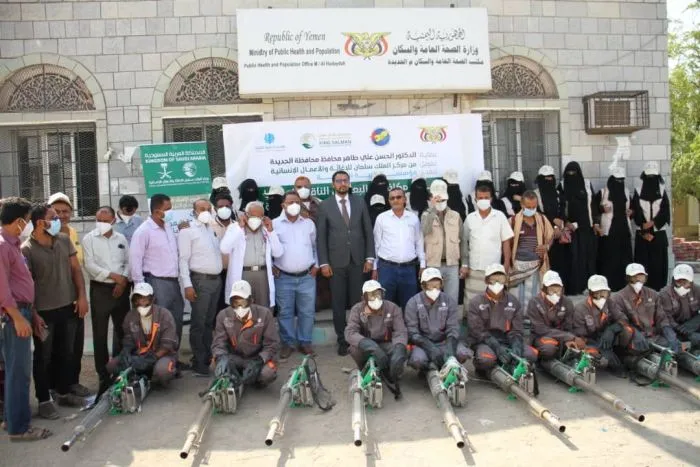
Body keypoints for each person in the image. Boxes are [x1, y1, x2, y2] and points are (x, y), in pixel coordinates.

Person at [22, 203, 89, 419]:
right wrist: (33, 314)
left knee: (66, 353)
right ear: (40, 223)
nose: (58, 220)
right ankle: (44, 400)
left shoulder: (63, 240)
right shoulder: (27, 250)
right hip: (44, 313)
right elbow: (27, 286)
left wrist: (82, 296)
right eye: (53, 217)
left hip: (68, 307)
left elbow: (76, 270)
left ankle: (63, 392)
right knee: (43, 357)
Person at [0, 197, 52, 440]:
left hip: (22, 311)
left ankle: (11, 420)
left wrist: (31, 314)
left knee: (14, 370)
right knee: (18, 372)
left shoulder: (12, 245)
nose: (29, 225)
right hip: (13, 315)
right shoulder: (2, 246)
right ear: (19, 221)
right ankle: (19, 429)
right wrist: (17, 317)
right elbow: (2, 288)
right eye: (28, 220)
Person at [317, 170, 375, 356]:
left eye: (345, 180)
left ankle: (359, 339)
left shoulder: (359, 202)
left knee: (359, 302)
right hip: (335, 263)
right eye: (338, 181)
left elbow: (368, 231)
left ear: (349, 183)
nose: (342, 183)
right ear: (333, 184)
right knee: (338, 303)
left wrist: (369, 257)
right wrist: (324, 263)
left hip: (358, 261)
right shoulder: (325, 205)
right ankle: (342, 340)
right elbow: (321, 237)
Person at [82, 206, 131, 394]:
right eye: (98, 220)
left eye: (105, 220)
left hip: (121, 289)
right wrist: (113, 276)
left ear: (113, 221)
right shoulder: (89, 239)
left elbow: (128, 262)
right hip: (101, 289)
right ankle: (103, 373)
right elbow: (90, 265)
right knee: (100, 333)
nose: (101, 223)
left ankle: (121, 367)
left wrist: (122, 280)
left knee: (123, 330)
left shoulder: (121, 238)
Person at [129, 194, 185, 355]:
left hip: (173, 282)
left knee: (175, 321)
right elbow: (135, 259)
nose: (171, 212)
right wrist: (141, 289)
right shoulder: (144, 231)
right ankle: (157, 359)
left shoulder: (167, 227)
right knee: (159, 323)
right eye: (168, 209)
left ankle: (172, 358)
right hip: (156, 282)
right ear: (156, 211)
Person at [47, 192, 88, 397]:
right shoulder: (42, 234)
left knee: (75, 344)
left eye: (65, 211)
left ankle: (73, 382)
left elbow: (77, 267)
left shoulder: (72, 233)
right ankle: (53, 387)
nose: (62, 215)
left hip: (73, 296)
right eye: (57, 211)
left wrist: (81, 296)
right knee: (54, 346)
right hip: (51, 299)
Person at [178, 199, 223, 376]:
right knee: (198, 322)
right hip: (200, 281)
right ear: (194, 211)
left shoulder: (211, 229)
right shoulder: (187, 230)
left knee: (209, 322)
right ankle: (198, 360)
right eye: (202, 208)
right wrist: (187, 285)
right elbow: (183, 260)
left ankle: (207, 357)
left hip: (215, 281)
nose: (205, 211)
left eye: (208, 208)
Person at [272, 191, 319, 360]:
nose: (294, 205)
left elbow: (315, 246)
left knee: (307, 311)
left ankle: (305, 342)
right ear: (283, 205)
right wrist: (271, 265)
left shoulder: (308, 224)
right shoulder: (274, 224)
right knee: (285, 312)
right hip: (283, 277)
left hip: (307, 276)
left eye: (297, 202)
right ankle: (288, 343)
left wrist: (317, 265)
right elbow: (268, 248)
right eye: (290, 202)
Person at [467, 264, 537, 372]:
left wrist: (516, 346)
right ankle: (485, 367)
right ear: (486, 281)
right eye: (493, 280)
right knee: (486, 360)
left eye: (501, 280)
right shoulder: (476, 302)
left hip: (507, 341)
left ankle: (509, 362)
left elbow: (517, 330)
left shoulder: (514, 301)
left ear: (505, 280)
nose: (497, 284)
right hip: (485, 342)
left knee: (531, 355)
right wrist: (497, 347)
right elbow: (478, 331)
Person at [344, 280, 407, 397]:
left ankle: (390, 370)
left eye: (378, 294)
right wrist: (370, 346)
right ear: (364, 298)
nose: (376, 298)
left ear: (383, 294)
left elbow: (400, 331)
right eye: (371, 295)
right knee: (354, 349)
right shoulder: (357, 309)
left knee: (400, 353)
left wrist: (399, 348)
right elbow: (350, 332)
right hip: (367, 344)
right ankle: (365, 369)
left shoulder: (393, 307)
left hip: (387, 343)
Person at [107, 283, 178, 387]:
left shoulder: (164, 315)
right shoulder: (130, 316)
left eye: (145, 299)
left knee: (162, 371)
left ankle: (156, 376)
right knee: (112, 365)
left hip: (162, 355)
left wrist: (152, 358)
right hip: (139, 355)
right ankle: (141, 376)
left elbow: (167, 345)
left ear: (152, 299)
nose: (141, 302)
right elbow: (128, 339)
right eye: (138, 299)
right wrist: (126, 352)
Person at [211, 280, 280, 387]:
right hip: (234, 357)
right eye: (235, 303)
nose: (239, 307)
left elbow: (272, 344)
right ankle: (234, 375)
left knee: (268, 374)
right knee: (216, 366)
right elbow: (218, 342)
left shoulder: (265, 314)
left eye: (243, 303)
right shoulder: (223, 315)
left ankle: (254, 379)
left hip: (256, 357)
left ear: (251, 300)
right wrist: (221, 357)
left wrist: (259, 360)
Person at [405, 268, 472, 372]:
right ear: (423, 286)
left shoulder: (449, 301)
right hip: (423, 344)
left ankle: (447, 365)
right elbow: (412, 332)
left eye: (437, 285)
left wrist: (450, 348)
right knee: (417, 360)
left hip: (444, 342)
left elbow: (453, 327)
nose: (434, 289)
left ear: (441, 285)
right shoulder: (413, 302)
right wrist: (430, 348)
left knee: (463, 353)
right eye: (430, 286)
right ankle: (428, 368)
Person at [609, 263, 680, 356]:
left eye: (641, 277)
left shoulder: (653, 294)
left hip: (653, 337)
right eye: (635, 277)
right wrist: (635, 333)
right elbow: (620, 322)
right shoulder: (617, 298)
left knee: (676, 347)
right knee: (638, 354)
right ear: (628, 278)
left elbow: (661, 318)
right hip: (633, 339)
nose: (638, 280)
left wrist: (669, 334)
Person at [220, 201, 281, 308]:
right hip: (243, 274)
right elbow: (224, 249)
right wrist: (240, 227)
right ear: (245, 215)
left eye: (259, 216)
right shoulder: (235, 228)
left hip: (263, 275)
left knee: (264, 308)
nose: (255, 219)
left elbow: (278, 252)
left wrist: (271, 231)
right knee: (242, 308)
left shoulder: (266, 229)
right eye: (252, 216)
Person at [462, 184, 514, 306]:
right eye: (480, 198)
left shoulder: (500, 216)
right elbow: (464, 242)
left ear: (491, 199)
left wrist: (506, 264)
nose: (483, 200)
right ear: (475, 199)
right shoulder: (470, 218)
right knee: (472, 302)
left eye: (486, 197)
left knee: (493, 301)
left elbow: (506, 241)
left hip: (494, 268)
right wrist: (465, 264)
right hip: (474, 268)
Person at [373, 187, 425, 310]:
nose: (395, 200)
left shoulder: (413, 218)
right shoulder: (382, 218)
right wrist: (375, 268)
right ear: (389, 201)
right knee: (385, 305)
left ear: (405, 199)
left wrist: (423, 264)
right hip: (387, 269)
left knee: (410, 306)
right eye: (392, 198)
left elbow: (419, 242)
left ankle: (409, 324)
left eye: (398, 197)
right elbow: (376, 244)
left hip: (408, 269)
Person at [557, 161, 600, 295]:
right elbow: (560, 206)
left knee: (589, 258)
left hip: (587, 228)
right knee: (574, 258)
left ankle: (590, 286)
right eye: (569, 173)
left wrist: (596, 223)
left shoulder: (587, 184)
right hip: (572, 230)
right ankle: (575, 287)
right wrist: (566, 222)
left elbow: (593, 204)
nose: (571, 175)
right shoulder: (562, 185)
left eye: (574, 172)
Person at [570, 275, 626, 376]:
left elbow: (623, 319)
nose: (601, 297)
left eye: (604, 293)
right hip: (590, 341)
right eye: (597, 294)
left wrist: (611, 329)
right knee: (595, 356)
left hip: (607, 338)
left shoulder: (609, 303)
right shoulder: (580, 309)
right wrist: (599, 348)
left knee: (627, 331)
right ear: (590, 293)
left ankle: (623, 356)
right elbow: (579, 336)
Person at [421, 179, 464, 304]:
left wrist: (464, 263)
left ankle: (451, 318)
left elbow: (462, 240)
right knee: (433, 299)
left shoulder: (455, 215)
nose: (440, 202)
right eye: (437, 200)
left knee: (452, 300)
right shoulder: (426, 215)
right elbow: (425, 231)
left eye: (442, 200)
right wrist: (433, 209)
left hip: (452, 264)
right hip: (433, 264)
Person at [508, 190, 554, 305]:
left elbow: (551, 236)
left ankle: (532, 314)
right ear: (522, 204)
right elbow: (507, 243)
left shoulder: (542, 220)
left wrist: (547, 246)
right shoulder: (513, 221)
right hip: (518, 266)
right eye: (528, 207)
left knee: (534, 296)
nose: (531, 209)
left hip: (537, 266)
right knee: (517, 296)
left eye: (534, 207)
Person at [631, 161, 671, 291]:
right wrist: (644, 228)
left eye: (653, 177)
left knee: (658, 263)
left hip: (658, 232)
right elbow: (635, 209)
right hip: (642, 232)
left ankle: (658, 288)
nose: (651, 179)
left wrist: (653, 223)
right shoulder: (638, 191)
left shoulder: (662, 191)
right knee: (643, 263)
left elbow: (665, 210)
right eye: (649, 177)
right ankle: (642, 289)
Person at [527, 270, 581, 360]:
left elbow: (568, 327)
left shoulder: (567, 302)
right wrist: (570, 337)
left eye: (558, 290)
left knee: (577, 349)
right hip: (541, 337)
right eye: (551, 290)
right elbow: (540, 330)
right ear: (544, 289)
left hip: (562, 337)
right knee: (549, 349)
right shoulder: (534, 302)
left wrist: (569, 340)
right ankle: (540, 361)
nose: (555, 294)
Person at [595, 166, 634, 291]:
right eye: (617, 180)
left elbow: (633, 208)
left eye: (621, 180)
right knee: (609, 260)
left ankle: (624, 286)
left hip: (624, 231)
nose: (619, 182)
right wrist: (602, 209)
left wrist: (631, 212)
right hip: (609, 232)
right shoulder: (603, 193)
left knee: (624, 259)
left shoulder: (626, 192)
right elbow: (592, 209)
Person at [534, 165, 567, 282]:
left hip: (558, 234)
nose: (548, 180)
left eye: (550, 177)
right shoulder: (535, 194)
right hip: (543, 233)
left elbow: (562, 211)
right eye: (546, 178)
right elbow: (538, 213)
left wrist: (558, 226)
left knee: (559, 262)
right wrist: (553, 223)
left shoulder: (557, 193)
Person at [658, 264, 700, 349]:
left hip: (692, 326)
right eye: (678, 282)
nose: (681, 286)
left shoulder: (697, 290)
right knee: (673, 345)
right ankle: (685, 348)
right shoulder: (664, 294)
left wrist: (694, 323)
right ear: (673, 281)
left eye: (685, 282)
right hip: (674, 329)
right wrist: (677, 328)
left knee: (696, 339)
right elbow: (665, 318)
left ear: (691, 282)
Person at [210, 193, 235, 313]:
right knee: (217, 307)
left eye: (227, 206)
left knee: (233, 305)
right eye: (220, 206)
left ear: (231, 207)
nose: (224, 209)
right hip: (216, 274)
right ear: (215, 209)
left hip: (233, 273)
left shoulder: (237, 226)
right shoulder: (208, 226)